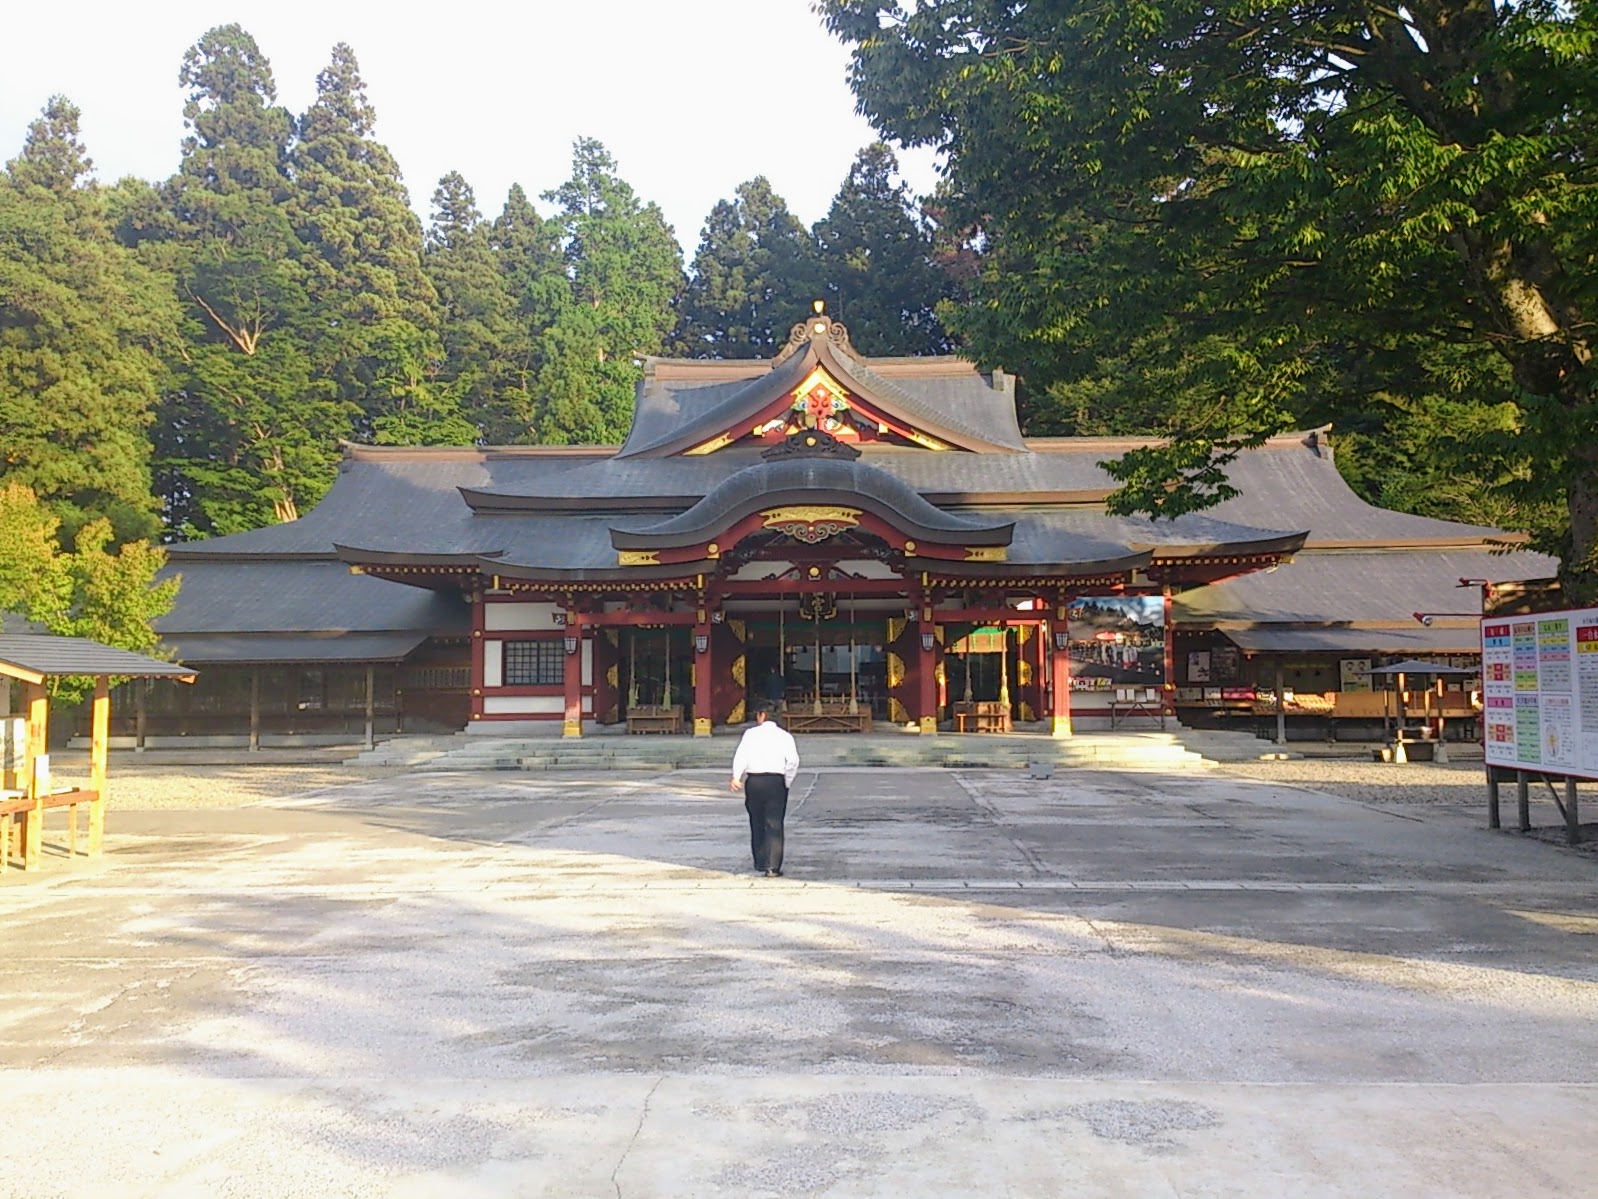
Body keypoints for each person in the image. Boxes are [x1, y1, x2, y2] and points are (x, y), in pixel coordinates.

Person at [729, 700, 800, 877]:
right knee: (774, 823)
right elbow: (793, 761)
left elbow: (741, 756)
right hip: (776, 781)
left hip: (754, 781)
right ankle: (772, 866)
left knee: (757, 821)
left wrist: (736, 777)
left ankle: (760, 861)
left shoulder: (750, 734)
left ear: (762, 716)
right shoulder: (784, 736)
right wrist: (787, 781)